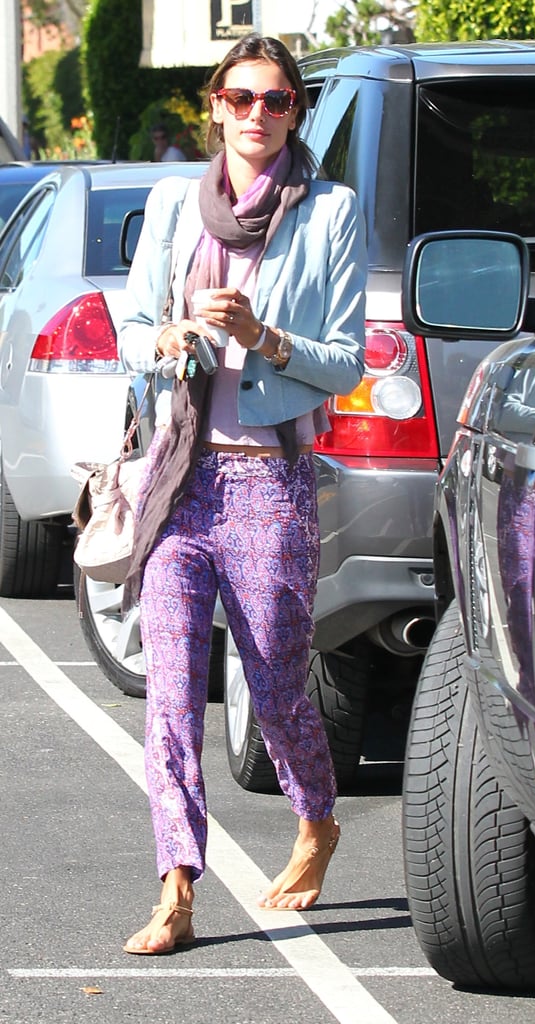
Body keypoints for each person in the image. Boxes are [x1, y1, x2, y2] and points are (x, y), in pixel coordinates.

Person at [118, 32, 367, 955]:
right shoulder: (173, 204)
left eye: (279, 101)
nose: (259, 115)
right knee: (172, 693)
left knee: (274, 687)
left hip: (271, 481)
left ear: (297, 111)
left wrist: (263, 337)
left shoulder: (331, 212)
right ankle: (177, 886)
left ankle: (317, 821)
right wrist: (174, 333)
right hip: (180, 477)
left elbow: (343, 362)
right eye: (242, 98)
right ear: (214, 106)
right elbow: (129, 331)